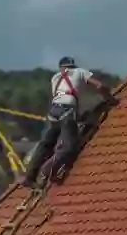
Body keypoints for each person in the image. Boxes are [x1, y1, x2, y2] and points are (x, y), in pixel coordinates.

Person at [21, 56, 116, 188]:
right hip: (67, 111)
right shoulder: (80, 72)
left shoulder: (55, 78)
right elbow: (99, 86)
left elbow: (60, 96)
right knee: (69, 147)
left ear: (61, 68)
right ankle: (47, 169)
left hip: (53, 111)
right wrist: (110, 99)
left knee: (45, 145)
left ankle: (29, 177)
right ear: (73, 66)